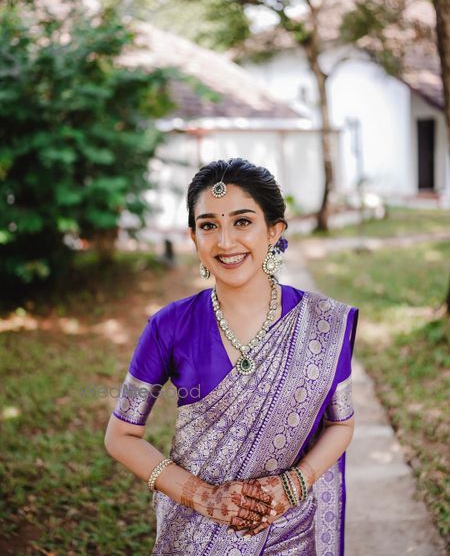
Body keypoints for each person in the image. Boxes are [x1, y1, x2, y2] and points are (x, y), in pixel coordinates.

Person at [104, 158, 358, 555]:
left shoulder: (323, 323)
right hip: (195, 532)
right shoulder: (169, 326)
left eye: (242, 222)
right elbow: (121, 437)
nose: (225, 242)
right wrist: (204, 497)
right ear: (193, 237)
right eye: (209, 225)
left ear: (274, 231)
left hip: (291, 532)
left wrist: (294, 484)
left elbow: (341, 425)